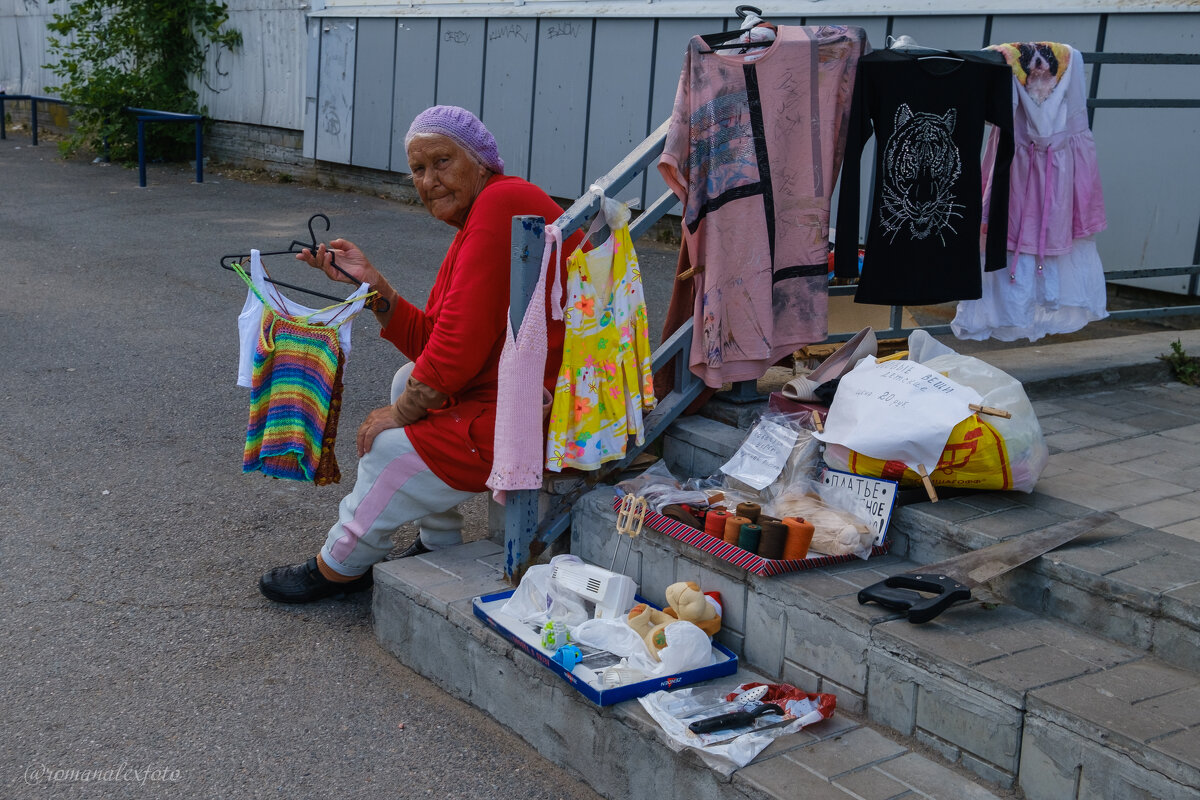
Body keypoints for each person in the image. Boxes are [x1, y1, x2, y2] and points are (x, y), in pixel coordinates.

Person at [259, 106, 579, 604]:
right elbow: (438, 342)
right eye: (418, 169)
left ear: (482, 162)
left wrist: (398, 416)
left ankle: (340, 565)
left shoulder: (501, 206)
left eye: (442, 161)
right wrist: (372, 286)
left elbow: (452, 355)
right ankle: (439, 542)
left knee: (388, 447)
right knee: (408, 378)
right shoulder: (486, 211)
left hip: (546, 411)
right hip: (522, 389)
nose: (430, 180)